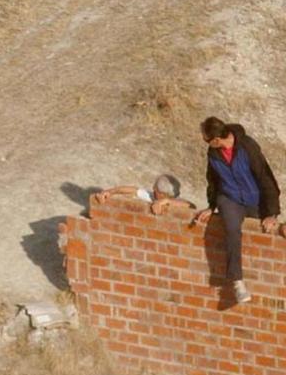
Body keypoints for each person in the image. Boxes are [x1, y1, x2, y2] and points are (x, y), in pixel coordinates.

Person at [195, 116, 280, 303]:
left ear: (217, 139)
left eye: (207, 140)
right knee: (232, 229)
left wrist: (271, 213)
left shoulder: (247, 146)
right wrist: (211, 206)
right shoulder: (213, 154)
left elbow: (266, 177)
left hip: (253, 199)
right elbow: (213, 181)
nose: (206, 144)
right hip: (230, 198)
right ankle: (237, 281)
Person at [95, 174, 194, 215]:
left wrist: (165, 202)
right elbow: (133, 190)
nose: (153, 189)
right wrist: (110, 192)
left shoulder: (173, 200)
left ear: (163, 194)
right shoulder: (152, 197)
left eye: (156, 189)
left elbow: (190, 206)